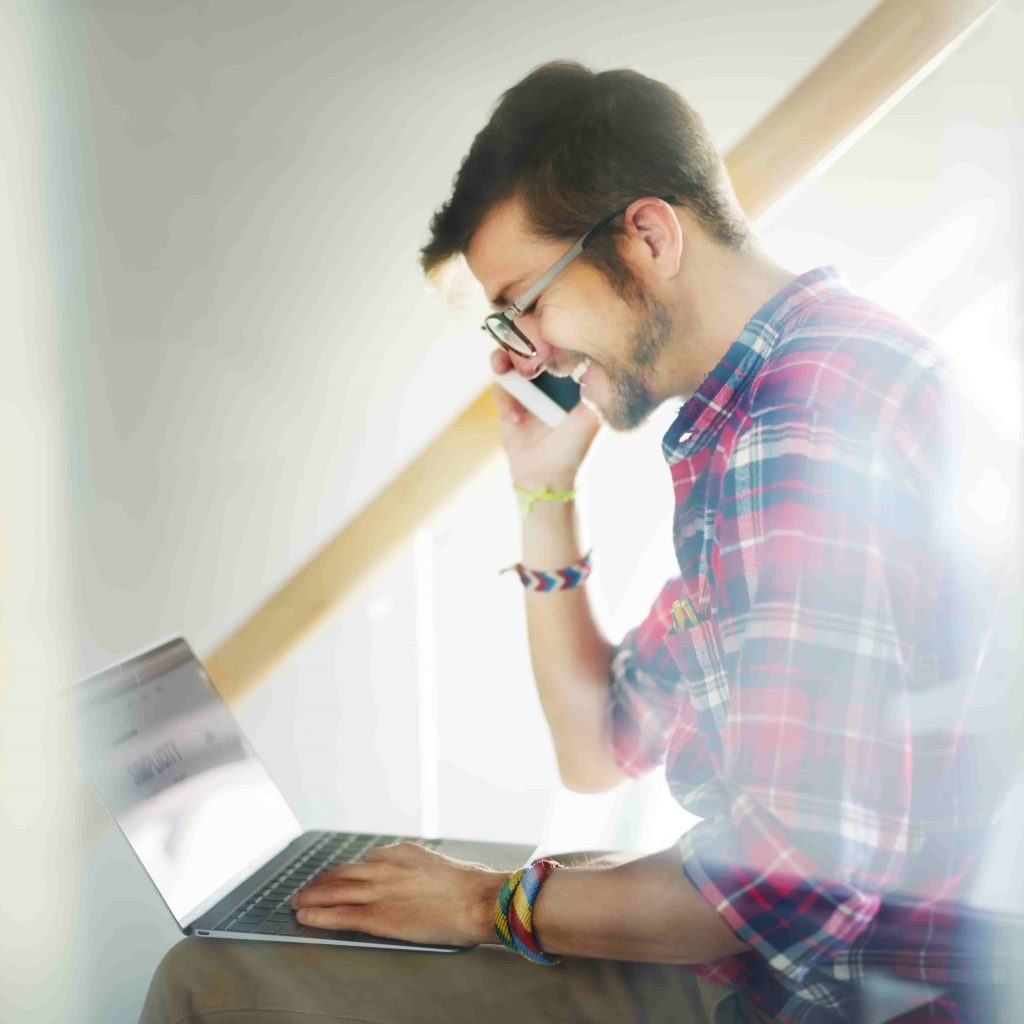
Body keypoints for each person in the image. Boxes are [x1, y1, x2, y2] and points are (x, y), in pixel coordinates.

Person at [141, 61, 1006, 1024]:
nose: (527, 355)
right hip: (776, 961)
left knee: (213, 979)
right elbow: (599, 745)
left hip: (820, 995)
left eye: (529, 302)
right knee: (352, 913)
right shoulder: (775, 406)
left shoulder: (797, 433)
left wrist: (479, 903)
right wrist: (543, 486)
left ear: (647, 235)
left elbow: (781, 890)